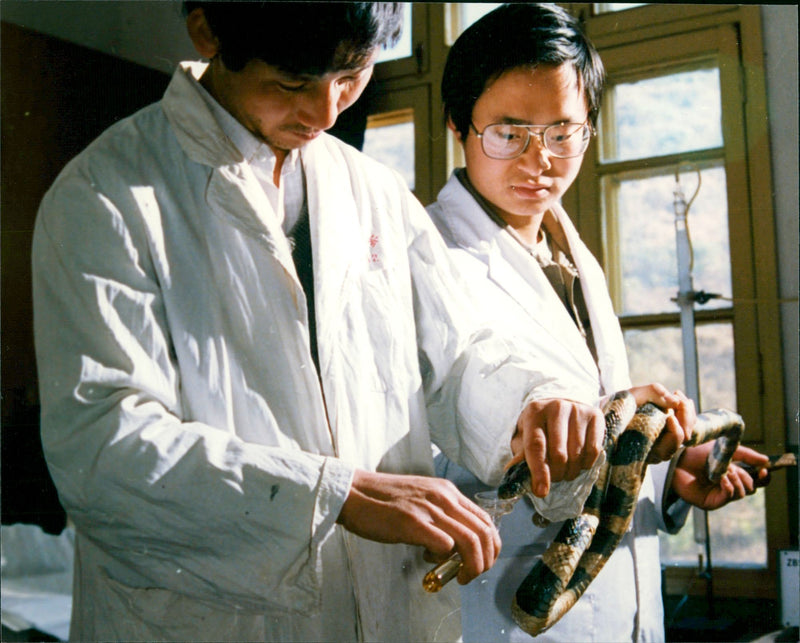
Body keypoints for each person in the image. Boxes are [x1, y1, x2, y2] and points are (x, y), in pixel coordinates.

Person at [31, 2, 665, 641]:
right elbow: (104, 448)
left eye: (352, 75)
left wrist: (529, 405)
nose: (327, 112)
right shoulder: (108, 196)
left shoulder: (373, 192)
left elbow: (457, 357)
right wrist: (334, 496)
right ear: (207, 27)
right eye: (291, 82)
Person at [427, 4, 772, 642]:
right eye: (508, 133)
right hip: (497, 608)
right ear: (458, 124)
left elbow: (591, 420)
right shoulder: (425, 255)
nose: (540, 162)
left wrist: (667, 473)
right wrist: (595, 421)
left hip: (620, 604)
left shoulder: (569, 252)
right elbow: (444, 443)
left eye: (563, 133)